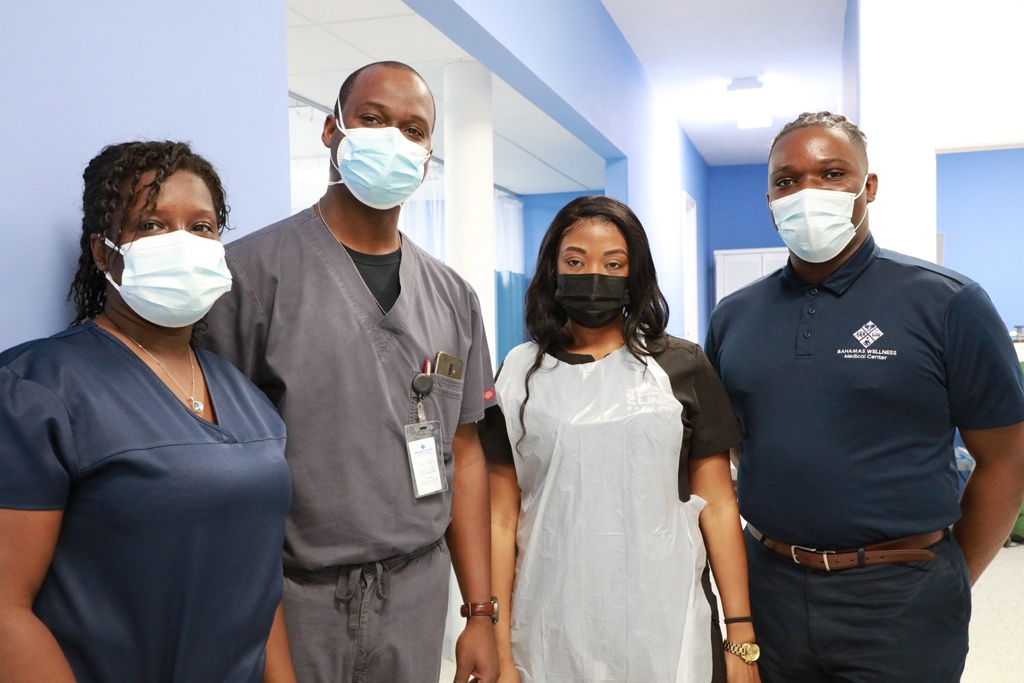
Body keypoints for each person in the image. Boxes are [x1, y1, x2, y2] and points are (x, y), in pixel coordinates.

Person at [199, 61, 499, 683]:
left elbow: (465, 455)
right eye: (373, 119)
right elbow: (215, 465)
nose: (393, 138)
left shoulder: (454, 297)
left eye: (413, 129)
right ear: (332, 130)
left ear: (426, 154)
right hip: (291, 598)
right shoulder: (250, 277)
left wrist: (478, 613)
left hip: (417, 595)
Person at [704, 112, 1024, 682]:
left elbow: (1006, 460)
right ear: (770, 196)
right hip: (769, 590)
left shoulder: (947, 303)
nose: (807, 193)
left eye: (831, 174)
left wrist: (944, 579)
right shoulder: (735, 318)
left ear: (868, 187)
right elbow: (739, 446)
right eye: (787, 180)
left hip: (901, 599)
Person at [0, 141, 294, 682]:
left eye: (202, 227)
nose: (183, 243)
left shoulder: (245, 397)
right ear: (102, 251)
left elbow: (259, 588)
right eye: (153, 226)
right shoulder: (35, 389)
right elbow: (5, 609)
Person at [482, 195, 762, 683]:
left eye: (613, 263)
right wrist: (498, 641)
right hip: (549, 625)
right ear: (552, 270)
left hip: (667, 622)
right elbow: (501, 518)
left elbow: (718, 505)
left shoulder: (682, 366)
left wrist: (740, 634)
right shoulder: (517, 374)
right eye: (575, 261)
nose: (594, 275)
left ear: (634, 277)